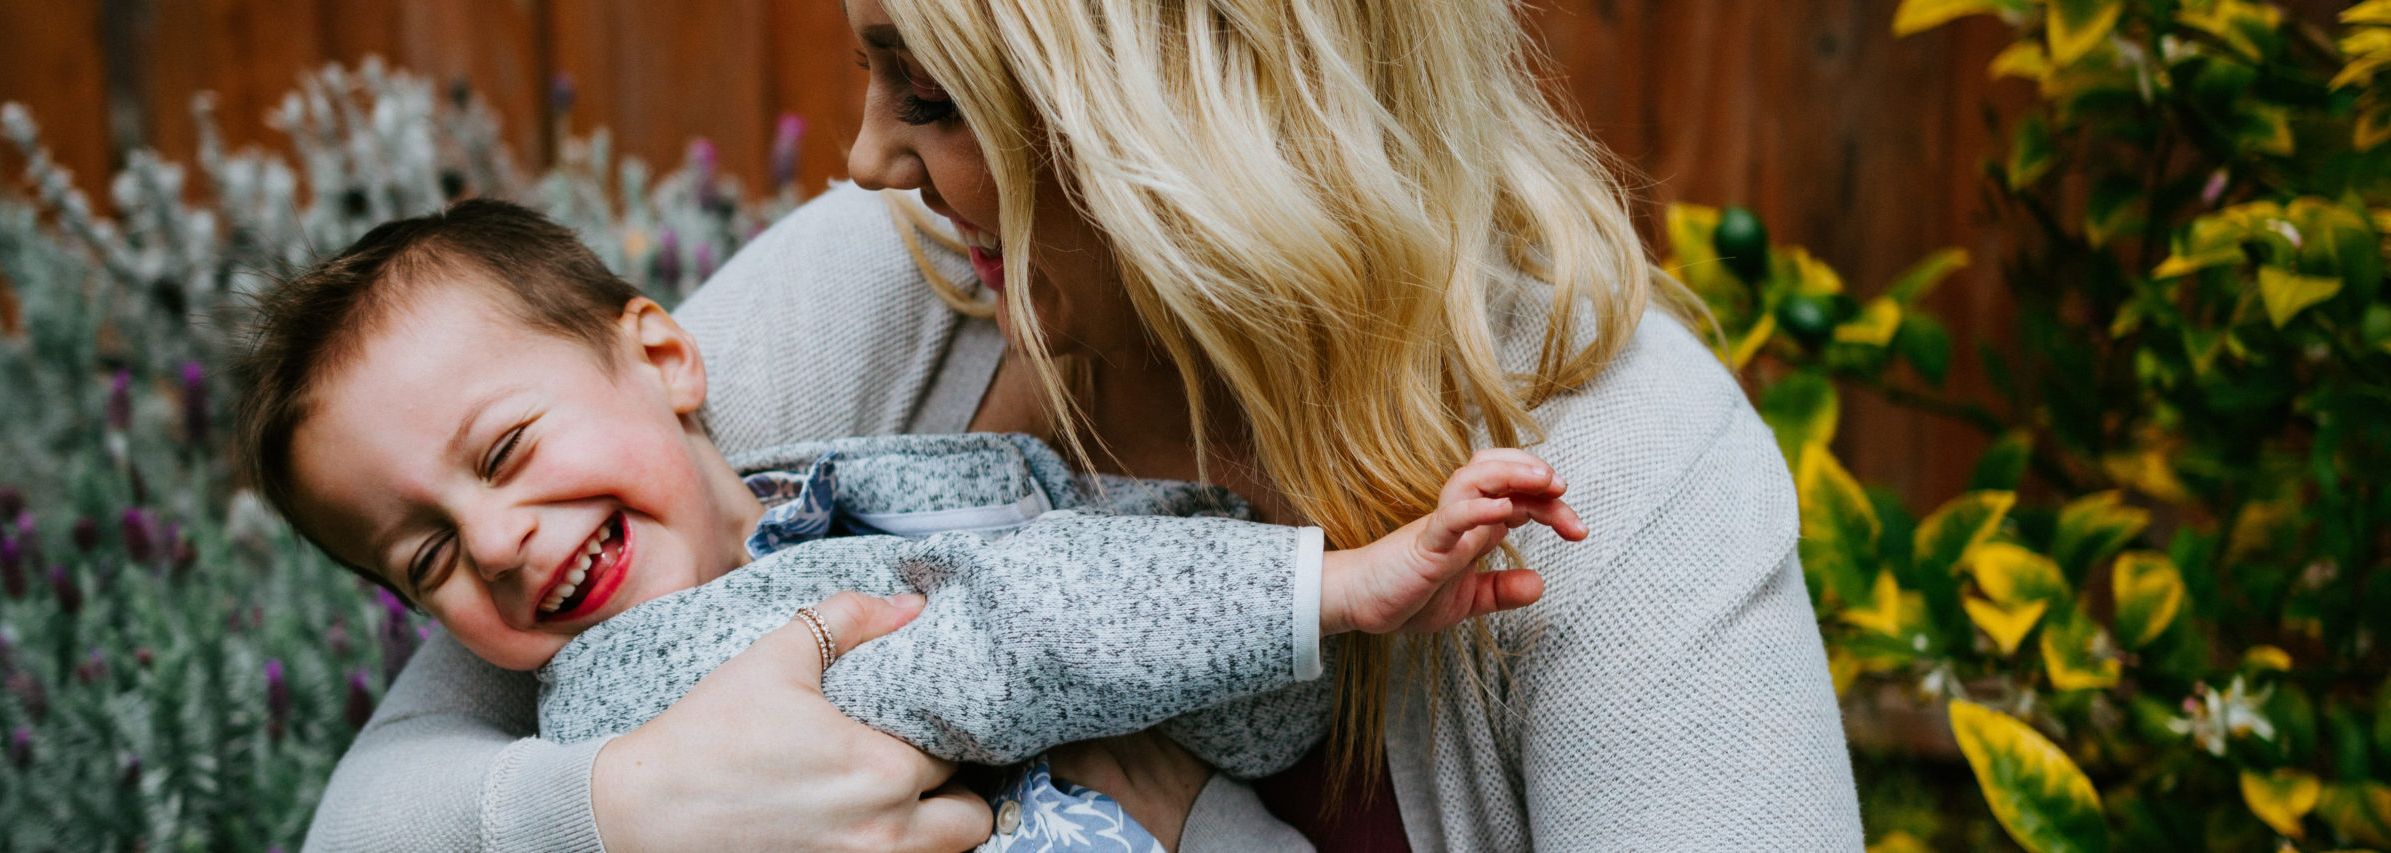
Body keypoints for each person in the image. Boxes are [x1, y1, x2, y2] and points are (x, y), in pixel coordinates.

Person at [302, 0, 1864, 848]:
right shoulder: (882, 290)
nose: (864, 161)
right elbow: (378, 815)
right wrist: (615, 812)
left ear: (1186, 112)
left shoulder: (1617, 468)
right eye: (872, 77)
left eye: (933, 101)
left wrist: (1188, 824)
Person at [246, 200, 1583, 850]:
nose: (492, 541)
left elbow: (1111, 577)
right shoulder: (638, 681)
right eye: (425, 557)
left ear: (664, 356)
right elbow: (1002, 642)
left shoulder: (868, 485)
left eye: (504, 451)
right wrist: (1327, 592)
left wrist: (1281, 648)